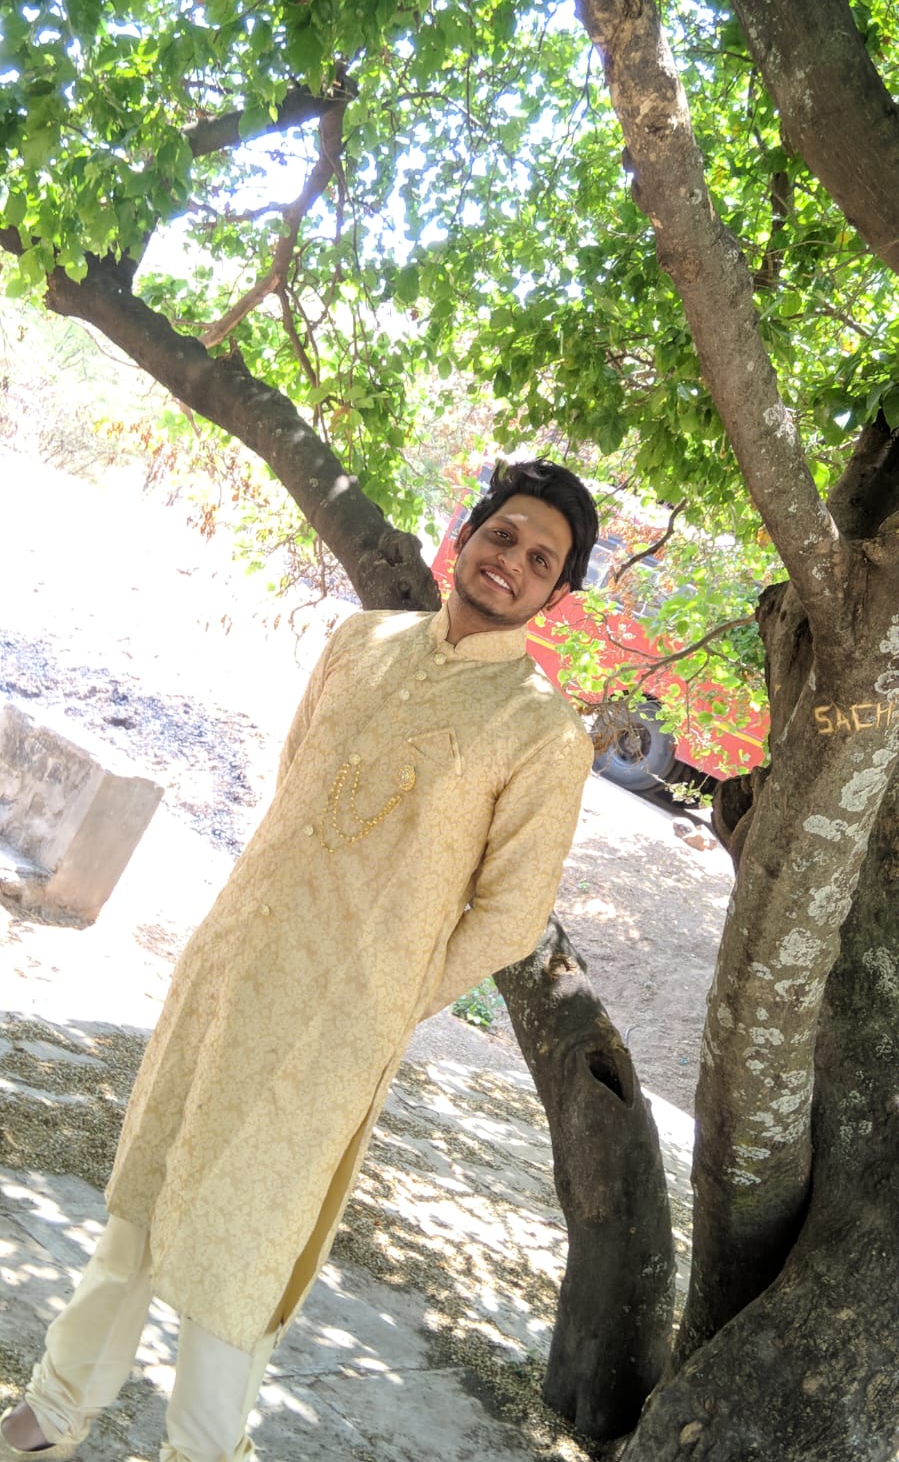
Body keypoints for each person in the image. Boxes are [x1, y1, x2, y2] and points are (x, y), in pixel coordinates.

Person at [1, 458, 599, 1462]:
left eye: (541, 560)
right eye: (502, 534)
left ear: (556, 595)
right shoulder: (361, 641)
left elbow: (508, 915)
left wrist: (390, 995)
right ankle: (53, 1414)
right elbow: (293, 786)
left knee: (245, 1242)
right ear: (464, 536)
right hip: (233, 963)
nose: (512, 561)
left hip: (338, 1021)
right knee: (146, 1191)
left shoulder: (540, 732)